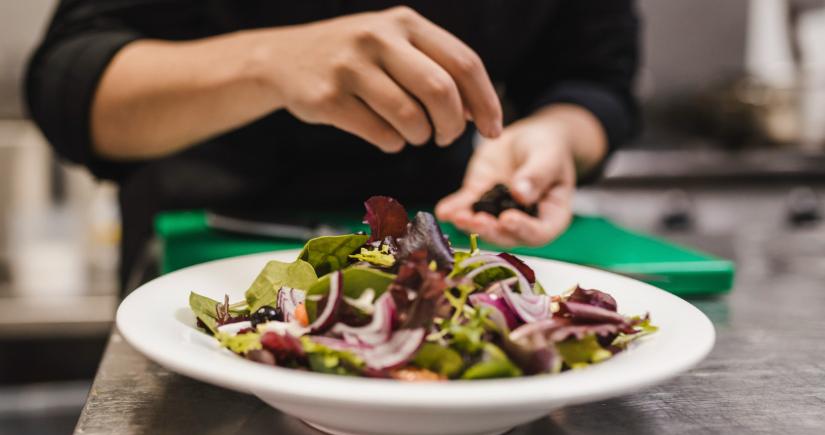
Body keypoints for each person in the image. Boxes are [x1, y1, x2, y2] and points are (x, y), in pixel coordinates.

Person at [26, 1, 639, 289]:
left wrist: (556, 134)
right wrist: (267, 63)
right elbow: (68, 86)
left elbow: (594, 81)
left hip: (443, 250)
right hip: (202, 257)